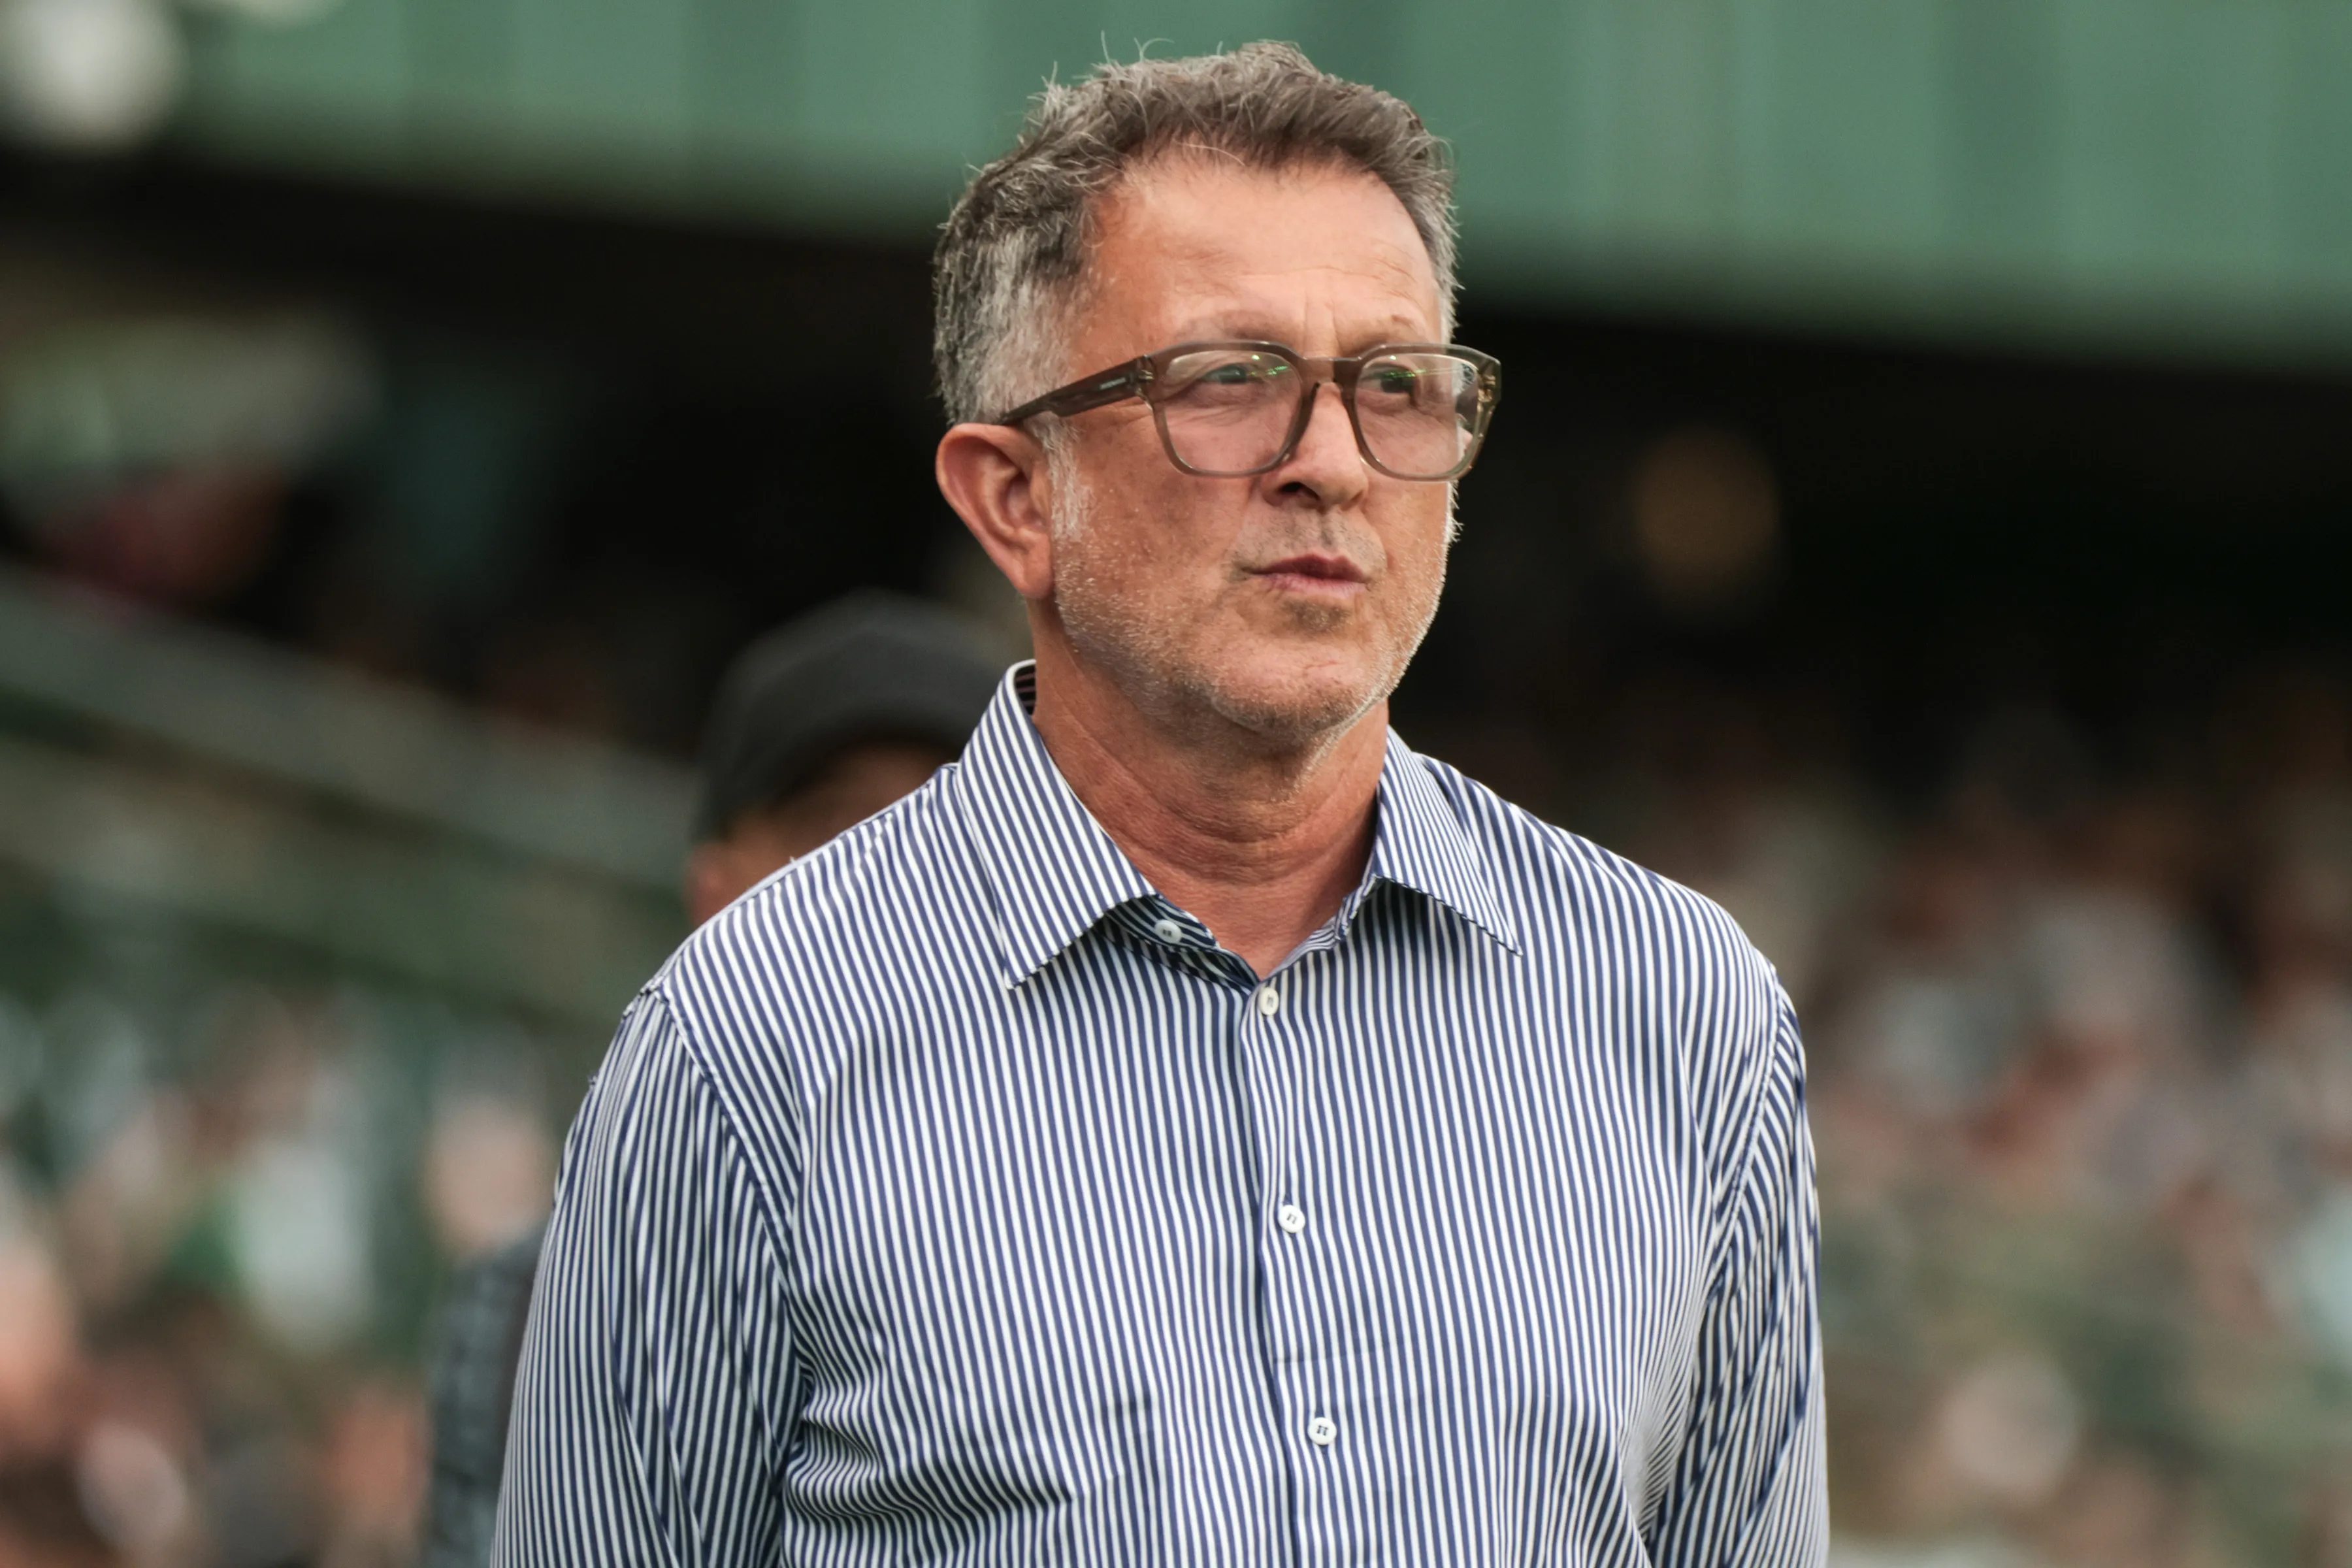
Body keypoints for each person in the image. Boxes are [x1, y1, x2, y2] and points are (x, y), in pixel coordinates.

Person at [497, 43, 1824, 1567]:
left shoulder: (1680, 1010)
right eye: (1228, 381)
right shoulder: (747, 1051)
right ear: (1013, 496)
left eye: (1396, 385)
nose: (1330, 461)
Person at [421, 592, 1000, 1568]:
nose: (893, 874)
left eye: (942, 823)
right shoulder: (548, 1294)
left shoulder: (1157, 1219)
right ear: (716, 894)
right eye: (835, 824)